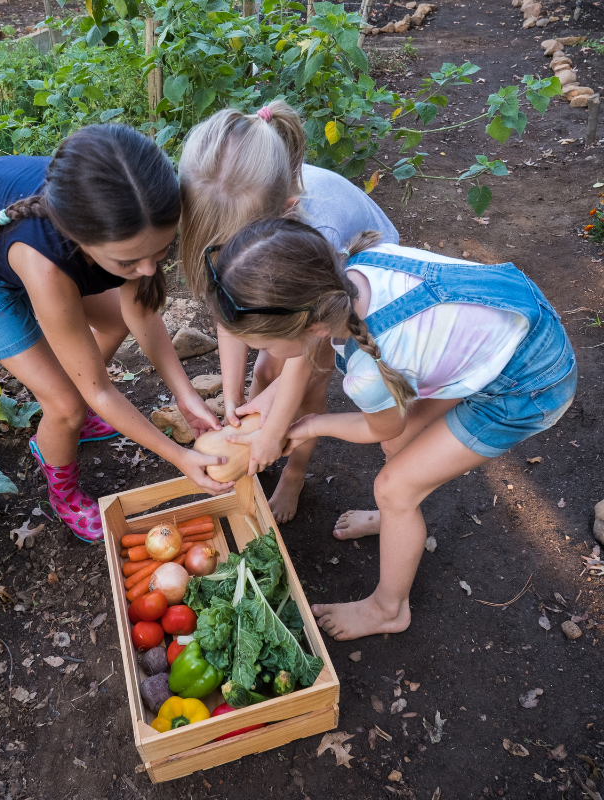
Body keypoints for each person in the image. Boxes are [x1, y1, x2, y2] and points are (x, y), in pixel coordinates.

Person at [207, 217, 577, 640]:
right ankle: (394, 521)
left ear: (312, 327)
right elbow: (302, 358)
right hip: (508, 324)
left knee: (394, 487)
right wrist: (264, 410)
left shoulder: (368, 370)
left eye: (265, 346)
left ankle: (389, 608)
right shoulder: (348, 276)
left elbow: (378, 428)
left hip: (527, 383)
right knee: (404, 444)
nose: (266, 356)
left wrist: (310, 425)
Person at [0, 124, 231, 543]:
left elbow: (141, 316)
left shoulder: (131, 220)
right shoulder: (48, 264)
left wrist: (187, 398)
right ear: (81, 240)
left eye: (161, 252)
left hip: (19, 249)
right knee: (65, 405)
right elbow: (101, 392)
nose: (150, 269)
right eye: (130, 262)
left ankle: (71, 416)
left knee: (113, 322)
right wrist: (179, 456)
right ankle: (63, 490)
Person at [178, 100, 399, 524]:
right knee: (264, 374)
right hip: (292, 291)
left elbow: (306, 359)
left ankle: (294, 473)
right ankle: (261, 442)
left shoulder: (320, 234)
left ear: (284, 212)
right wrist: (232, 396)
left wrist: (276, 429)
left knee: (308, 383)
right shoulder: (232, 210)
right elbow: (230, 312)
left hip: (353, 292)